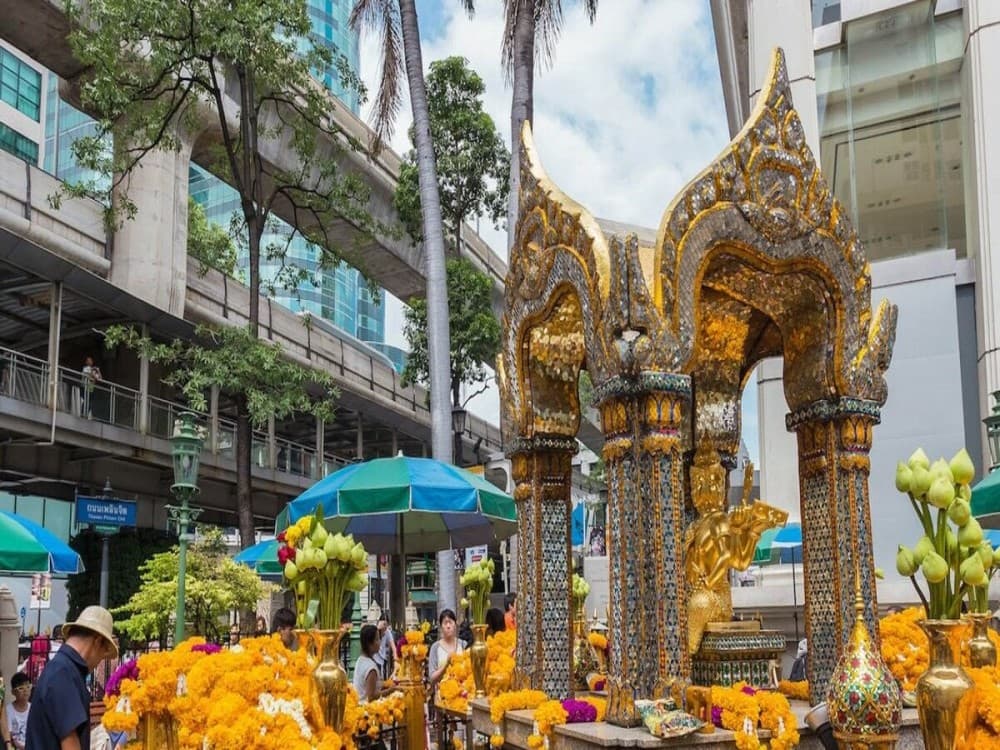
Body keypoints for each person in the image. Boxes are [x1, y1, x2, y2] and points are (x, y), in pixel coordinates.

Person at [26, 605, 118, 750]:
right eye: (102, 654)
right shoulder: (63, 673)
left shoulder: (62, 668)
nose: (100, 660)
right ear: (97, 641)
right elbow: (70, 743)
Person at [427, 610, 466, 694]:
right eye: (445, 623)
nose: (448, 626)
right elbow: (432, 678)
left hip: (462, 694)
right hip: (442, 695)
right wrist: (446, 665)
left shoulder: (463, 645)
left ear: (455, 625)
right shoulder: (435, 647)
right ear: (441, 627)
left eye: (450, 622)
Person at [353, 625, 381, 704]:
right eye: (377, 639)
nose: (380, 642)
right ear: (369, 644)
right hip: (367, 711)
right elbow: (371, 697)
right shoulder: (371, 668)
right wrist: (391, 690)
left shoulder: (360, 659)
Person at [6, 672, 30, 750]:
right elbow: (8, 736)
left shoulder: (33, 709)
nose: (25, 690)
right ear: (13, 692)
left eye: (27, 686)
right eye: (21, 688)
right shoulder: (8, 710)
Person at [374, 614, 395, 681]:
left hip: (383, 658)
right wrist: (378, 628)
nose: (385, 627)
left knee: (383, 677)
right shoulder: (375, 630)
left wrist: (395, 658)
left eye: (386, 624)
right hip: (374, 658)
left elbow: (393, 646)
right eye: (384, 624)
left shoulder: (387, 632)